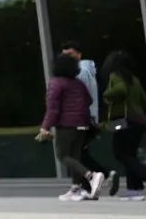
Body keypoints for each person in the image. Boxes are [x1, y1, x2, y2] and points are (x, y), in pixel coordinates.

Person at [40, 52, 104, 201]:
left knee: (62, 155)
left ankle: (91, 176)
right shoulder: (78, 83)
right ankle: (77, 188)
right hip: (82, 124)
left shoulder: (56, 83)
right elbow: (88, 100)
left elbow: (52, 108)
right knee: (76, 157)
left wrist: (45, 127)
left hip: (66, 125)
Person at [61, 41, 110, 182]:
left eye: (70, 54)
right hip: (87, 117)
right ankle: (96, 180)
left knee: (74, 153)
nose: (67, 58)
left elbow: (80, 98)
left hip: (82, 118)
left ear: (79, 54)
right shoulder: (84, 70)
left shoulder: (80, 72)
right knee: (79, 152)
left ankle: (100, 176)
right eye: (65, 55)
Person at [100, 51, 146, 200]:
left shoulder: (115, 76)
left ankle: (141, 178)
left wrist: (106, 95)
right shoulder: (134, 79)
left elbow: (120, 90)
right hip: (138, 121)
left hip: (123, 121)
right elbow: (143, 100)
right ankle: (134, 189)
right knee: (130, 154)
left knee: (120, 153)